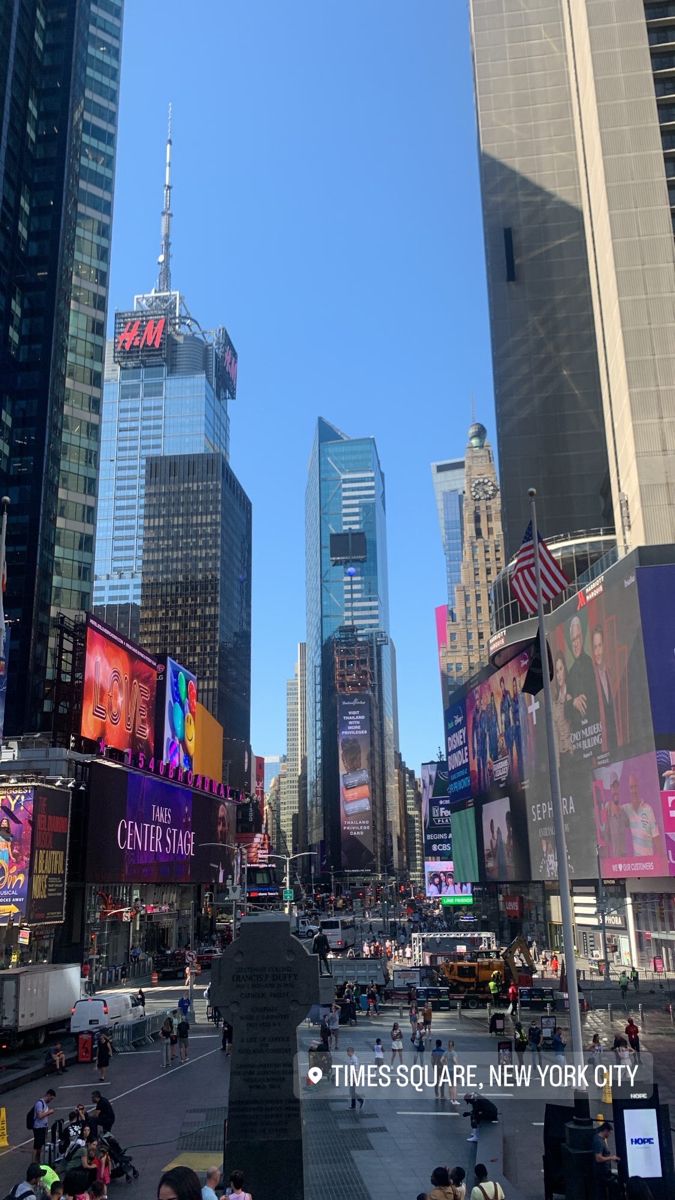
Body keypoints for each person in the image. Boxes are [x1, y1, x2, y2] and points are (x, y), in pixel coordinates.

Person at [567, 614, 599, 732]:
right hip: (578, 733)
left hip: (595, 727)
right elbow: (566, 706)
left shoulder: (591, 663)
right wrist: (573, 702)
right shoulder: (570, 674)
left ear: (582, 638)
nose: (575, 644)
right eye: (573, 640)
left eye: (578, 638)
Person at [622, 778, 662, 860]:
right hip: (635, 864)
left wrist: (658, 862)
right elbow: (612, 807)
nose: (634, 791)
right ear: (628, 790)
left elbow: (656, 838)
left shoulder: (648, 809)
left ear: (639, 787)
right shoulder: (625, 809)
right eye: (631, 787)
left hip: (649, 862)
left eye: (636, 786)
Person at [592, 626, 617, 755]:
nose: (597, 652)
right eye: (595, 647)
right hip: (603, 743)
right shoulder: (591, 678)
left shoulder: (611, 672)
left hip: (617, 738)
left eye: (599, 646)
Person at [592, 1121, 620, 1198]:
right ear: (605, 1130)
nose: (609, 1135)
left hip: (604, 1172)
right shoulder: (599, 1142)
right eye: (609, 1132)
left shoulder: (600, 1140)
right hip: (601, 1174)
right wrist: (611, 1158)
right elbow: (598, 1158)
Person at [31, 1089, 56, 1163]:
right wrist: (49, 1112)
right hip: (38, 1127)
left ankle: (37, 1161)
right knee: (36, 1146)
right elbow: (40, 1116)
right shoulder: (39, 1103)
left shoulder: (44, 1104)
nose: (51, 1100)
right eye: (51, 1098)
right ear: (48, 1095)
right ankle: (33, 1162)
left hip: (43, 1127)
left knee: (40, 1146)